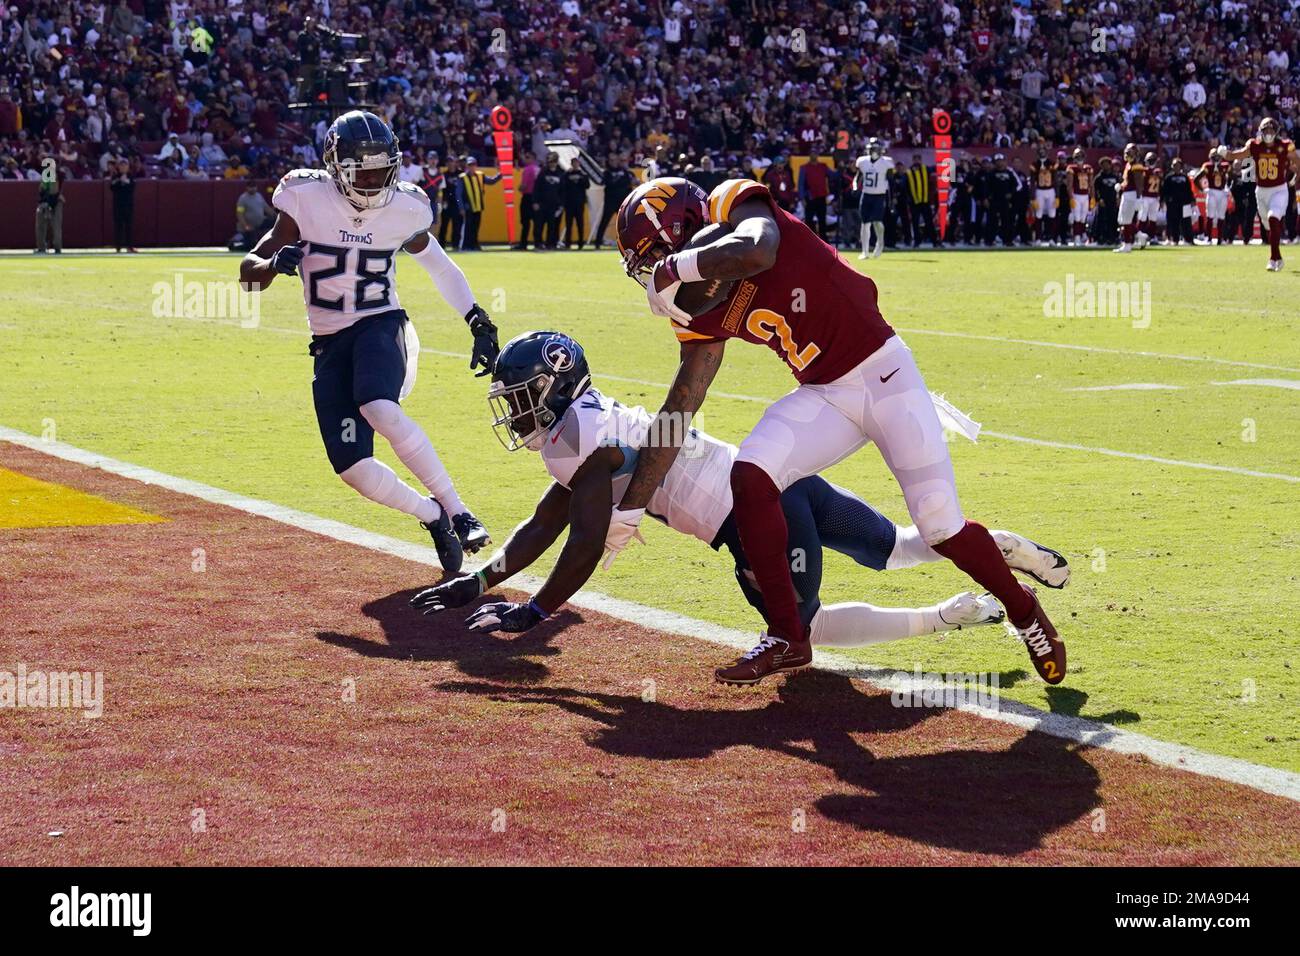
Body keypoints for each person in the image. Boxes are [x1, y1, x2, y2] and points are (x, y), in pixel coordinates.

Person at [610, 177, 1065, 685]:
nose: (652, 270)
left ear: (682, 228)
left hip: (885, 376)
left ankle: (1024, 612)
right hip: (824, 392)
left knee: (941, 527)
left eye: (654, 253)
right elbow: (682, 404)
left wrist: (679, 266)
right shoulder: (695, 306)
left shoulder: (733, 203)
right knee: (752, 476)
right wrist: (630, 508)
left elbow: (757, 250)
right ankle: (788, 636)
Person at [412, 331, 1070, 655]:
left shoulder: (583, 439)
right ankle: (1000, 548)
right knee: (896, 547)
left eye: (523, 398)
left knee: (798, 632)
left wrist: (535, 613)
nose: (515, 412)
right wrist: (484, 578)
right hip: (774, 479)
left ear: (556, 389)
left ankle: (949, 615)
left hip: (753, 522)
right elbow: (547, 519)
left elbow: (583, 542)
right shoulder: (581, 433)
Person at [238, 111, 497, 572]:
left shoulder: (406, 207)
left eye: (382, 169)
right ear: (336, 166)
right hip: (328, 342)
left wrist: (477, 320)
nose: (375, 179)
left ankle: (459, 510)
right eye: (364, 170)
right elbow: (247, 276)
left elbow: (440, 266)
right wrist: (274, 263)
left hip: (381, 324)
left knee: (378, 406)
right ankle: (432, 515)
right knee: (353, 470)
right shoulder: (304, 198)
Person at [1224, 118, 1300, 271]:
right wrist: (1226, 154)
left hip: (1279, 189)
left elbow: (1298, 164)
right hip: (1261, 191)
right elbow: (1236, 156)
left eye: (1272, 130)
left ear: (1276, 131)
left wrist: (1295, 178)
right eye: (1266, 130)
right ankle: (1277, 256)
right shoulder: (1254, 145)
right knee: (1268, 224)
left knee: (1273, 218)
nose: (1269, 133)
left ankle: (1273, 259)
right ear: (1261, 131)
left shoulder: (1285, 145)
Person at [853, 138, 893, 258]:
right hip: (866, 194)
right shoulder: (862, 161)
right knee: (865, 223)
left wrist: (891, 199)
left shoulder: (886, 162)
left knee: (877, 222)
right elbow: (858, 177)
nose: (874, 151)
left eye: (876, 148)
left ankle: (880, 244)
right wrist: (855, 186)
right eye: (872, 149)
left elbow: (891, 182)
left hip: (879, 195)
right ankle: (865, 251)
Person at [456, 156, 500, 251]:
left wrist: (500, 174)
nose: (472, 167)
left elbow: (491, 181)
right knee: (468, 227)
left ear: (476, 166)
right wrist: (461, 208)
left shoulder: (480, 175)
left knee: (476, 227)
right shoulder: (462, 177)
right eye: (470, 165)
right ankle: (466, 246)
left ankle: (474, 244)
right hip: (468, 207)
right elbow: (458, 195)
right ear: (467, 166)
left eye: (473, 165)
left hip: (478, 206)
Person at [594, 152, 634, 250]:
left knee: (625, 223)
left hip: (622, 202)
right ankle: (597, 243)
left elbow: (628, 185)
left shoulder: (625, 171)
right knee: (604, 222)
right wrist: (618, 183)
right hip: (610, 202)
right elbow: (607, 183)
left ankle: (629, 243)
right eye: (611, 160)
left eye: (615, 160)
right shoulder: (606, 172)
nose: (614, 162)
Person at [1195, 146, 1231, 245]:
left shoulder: (1225, 166)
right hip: (1212, 192)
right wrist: (1202, 189)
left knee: (1221, 216)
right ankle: (1209, 238)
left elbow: (1233, 176)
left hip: (1222, 192)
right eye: (1214, 156)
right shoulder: (1208, 166)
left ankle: (1220, 239)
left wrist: (1229, 188)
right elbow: (1196, 178)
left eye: (1217, 156)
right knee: (1210, 216)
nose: (1216, 159)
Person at [533, 152, 565, 250]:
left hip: (554, 205)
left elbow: (563, 191)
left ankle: (550, 244)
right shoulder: (543, 172)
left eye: (554, 161)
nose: (552, 163)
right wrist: (535, 202)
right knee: (539, 226)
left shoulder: (561, 174)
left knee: (552, 227)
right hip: (542, 203)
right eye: (550, 161)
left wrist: (561, 204)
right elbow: (536, 188)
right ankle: (538, 243)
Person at [905, 153, 938, 247]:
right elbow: (906, 187)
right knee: (915, 223)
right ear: (913, 161)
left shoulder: (926, 169)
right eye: (915, 159)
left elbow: (936, 168)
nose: (916, 161)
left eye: (918, 159)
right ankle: (917, 241)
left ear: (920, 160)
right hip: (914, 202)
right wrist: (909, 199)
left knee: (929, 222)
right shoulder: (909, 172)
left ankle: (934, 241)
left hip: (925, 201)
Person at [560, 157, 591, 249]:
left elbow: (587, 185)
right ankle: (567, 243)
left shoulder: (583, 174)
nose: (575, 164)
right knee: (568, 224)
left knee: (580, 224)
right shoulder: (566, 174)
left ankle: (580, 243)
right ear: (571, 164)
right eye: (573, 163)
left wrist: (581, 179)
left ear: (579, 164)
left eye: (576, 163)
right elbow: (563, 186)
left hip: (579, 203)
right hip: (569, 203)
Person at [231, 182, 271, 251]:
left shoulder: (259, 196)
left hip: (260, 226)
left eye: (254, 187)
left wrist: (275, 216)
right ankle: (233, 242)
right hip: (248, 228)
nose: (252, 189)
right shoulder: (243, 198)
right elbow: (239, 213)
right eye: (251, 187)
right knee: (248, 244)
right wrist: (246, 226)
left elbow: (266, 208)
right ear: (247, 188)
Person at [35, 166, 64, 254]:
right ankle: (42, 247)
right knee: (41, 225)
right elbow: (41, 190)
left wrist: (48, 203)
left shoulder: (56, 176)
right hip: (45, 202)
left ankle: (56, 247)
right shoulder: (45, 177)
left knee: (55, 225)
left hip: (55, 202)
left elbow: (54, 191)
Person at [109, 159, 137, 253]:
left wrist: (126, 181)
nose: (123, 167)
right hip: (118, 205)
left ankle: (129, 246)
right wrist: (119, 181)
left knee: (129, 226)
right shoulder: (115, 176)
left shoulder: (131, 176)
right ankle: (118, 247)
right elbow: (112, 187)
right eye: (121, 165)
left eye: (125, 165)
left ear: (128, 167)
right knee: (118, 226)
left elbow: (133, 187)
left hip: (128, 205)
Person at [514, 150, 539, 250]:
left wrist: (519, 188)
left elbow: (523, 186)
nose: (525, 159)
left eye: (527, 157)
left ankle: (523, 244)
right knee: (536, 222)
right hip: (537, 197)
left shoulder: (528, 169)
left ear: (532, 158)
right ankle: (537, 242)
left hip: (528, 197)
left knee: (525, 222)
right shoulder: (538, 169)